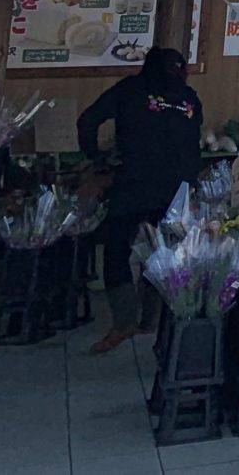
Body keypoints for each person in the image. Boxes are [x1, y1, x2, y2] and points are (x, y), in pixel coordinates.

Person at [78, 47, 203, 353]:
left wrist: (95, 157)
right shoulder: (189, 97)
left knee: (118, 249)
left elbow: (87, 121)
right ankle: (151, 320)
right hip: (177, 189)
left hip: (134, 183)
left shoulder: (130, 88)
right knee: (163, 253)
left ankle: (123, 323)